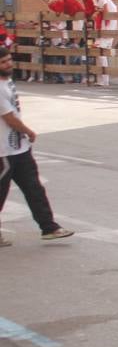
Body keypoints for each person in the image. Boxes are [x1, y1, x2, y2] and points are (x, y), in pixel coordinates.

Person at [0, 48, 73, 246]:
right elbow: (8, 118)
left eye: (9, 60)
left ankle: (49, 227)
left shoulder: (7, 82)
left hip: (19, 149)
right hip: (3, 152)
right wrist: (28, 131)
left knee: (34, 189)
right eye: (3, 62)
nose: (8, 64)